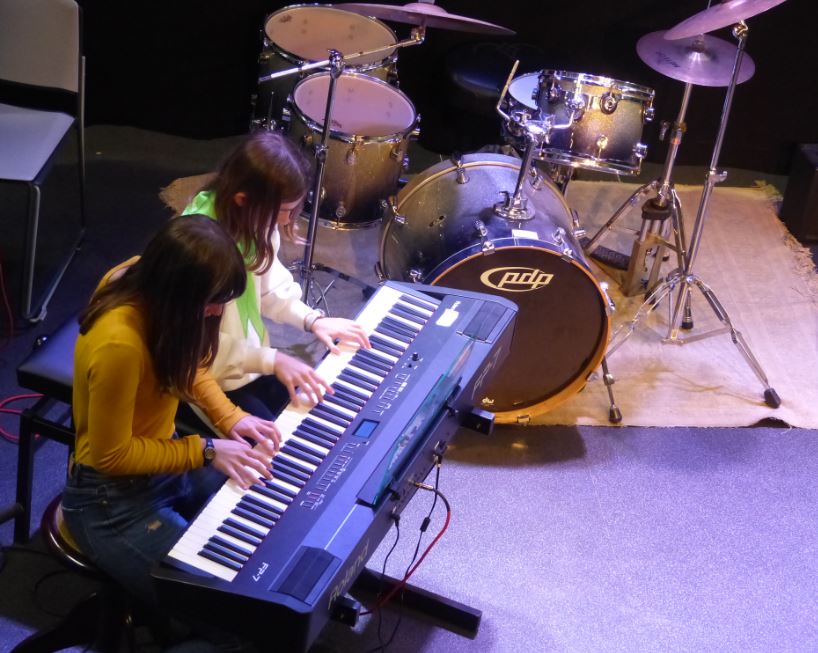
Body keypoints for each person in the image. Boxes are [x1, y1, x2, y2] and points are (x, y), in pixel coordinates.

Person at [62, 215, 281, 649]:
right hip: (109, 503)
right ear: (180, 293)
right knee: (243, 626)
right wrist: (205, 450)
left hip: (161, 467)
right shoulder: (119, 344)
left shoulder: (149, 283)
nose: (216, 312)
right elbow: (110, 455)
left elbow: (183, 359)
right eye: (212, 303)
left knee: (272, 498)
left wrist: (230, 417)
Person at [182, 130, 370, 422]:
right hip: (207, 381)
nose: (286, 219)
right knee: (279, 442)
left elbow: (269, 287)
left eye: (293, 209)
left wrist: (312, 320)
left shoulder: (251, 218)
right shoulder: (200, 252)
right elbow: (196, 353)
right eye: (283, 210)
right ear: (242, 199)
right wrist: (273, 360)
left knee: (326, 410)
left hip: (247, 364)